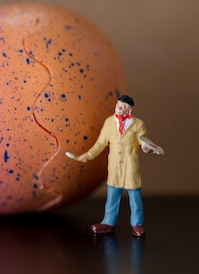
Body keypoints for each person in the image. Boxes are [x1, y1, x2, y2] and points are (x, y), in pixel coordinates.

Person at [66, 95, 164, 237]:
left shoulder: (138, 124)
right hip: (114, 167)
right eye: (118, 104)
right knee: (112, 196)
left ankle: (137, 224)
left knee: (134, 197)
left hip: (130, 165)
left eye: (123, 106)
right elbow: (101, 143)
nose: (118, 107)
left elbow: (143, 141)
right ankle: (108, 222)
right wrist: (89, 155)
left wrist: (146, 148)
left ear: (129, 109)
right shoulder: (109, 122)